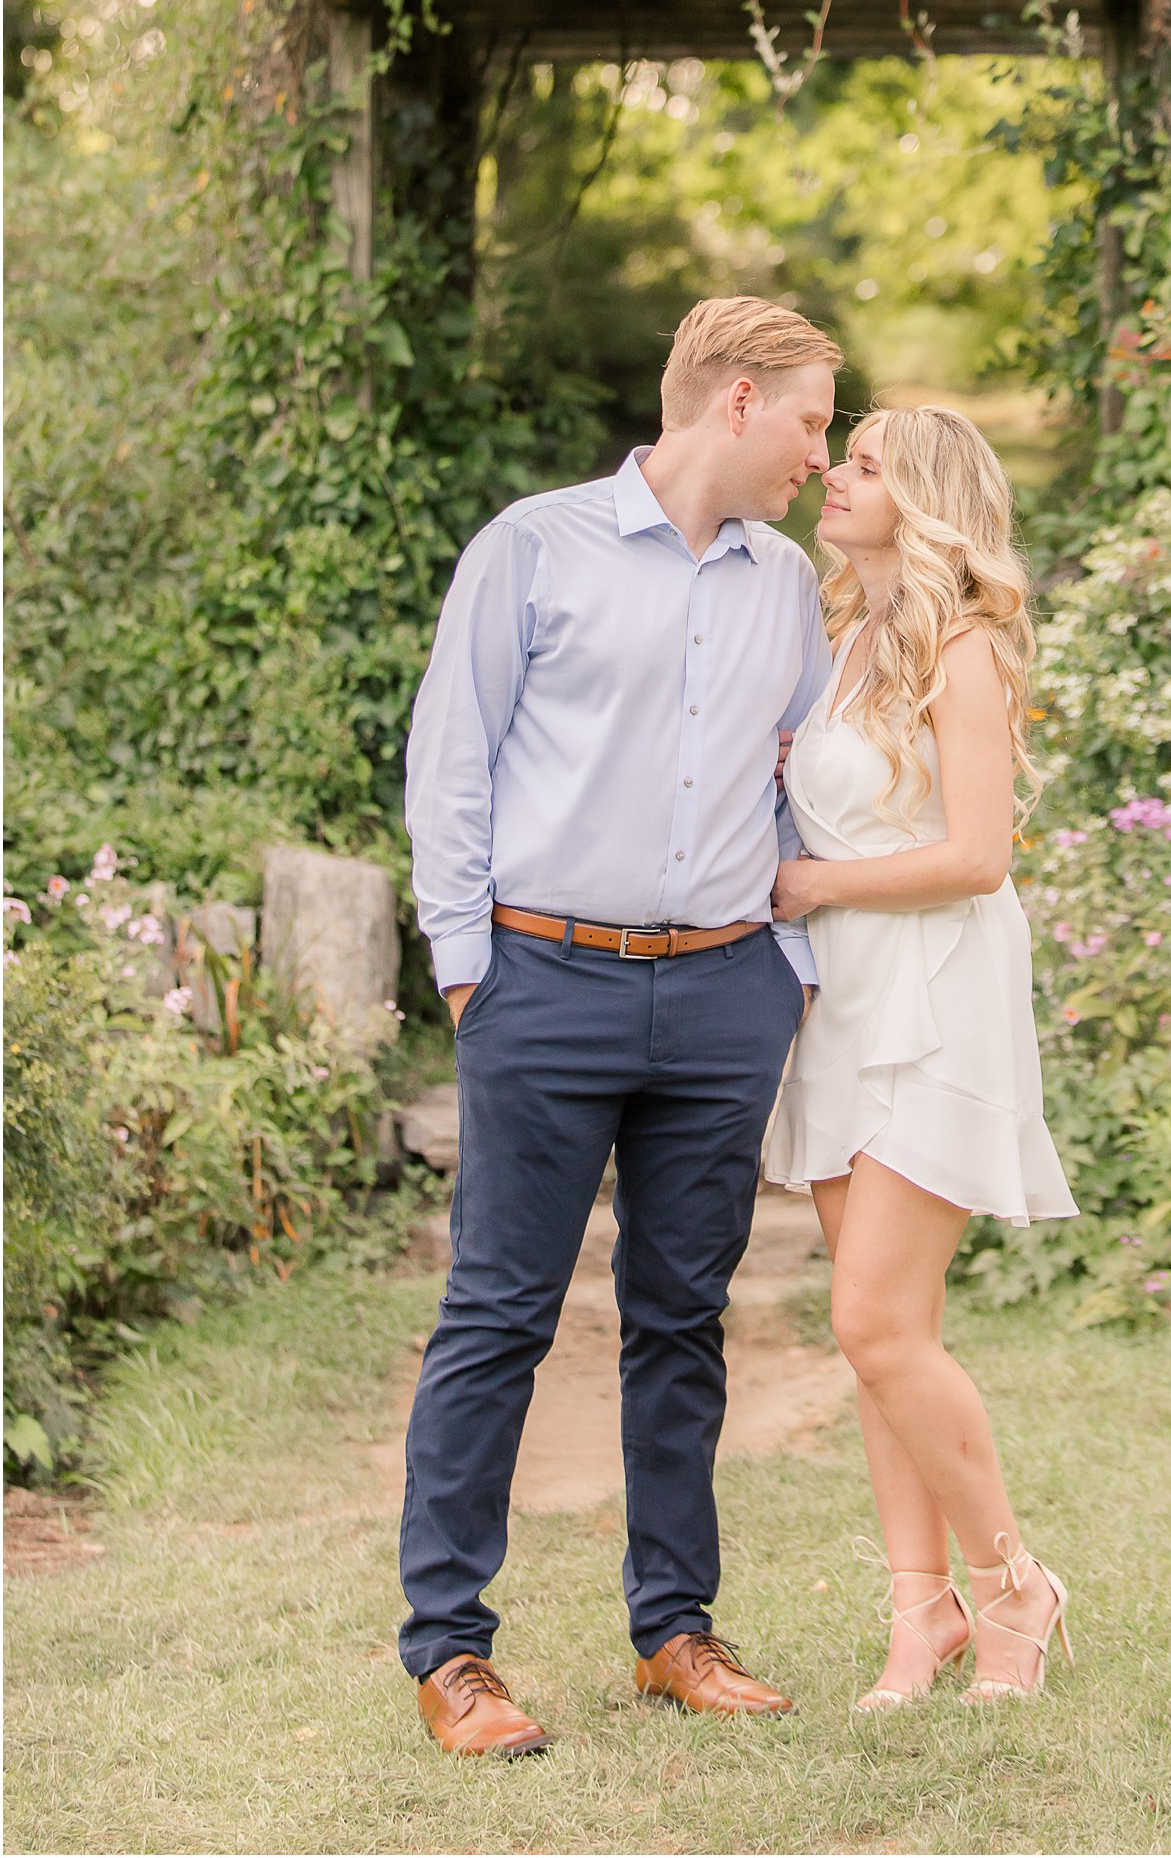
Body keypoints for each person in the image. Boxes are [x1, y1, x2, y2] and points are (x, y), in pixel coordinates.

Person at [399, 296, 841, 1755]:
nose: (821, 458)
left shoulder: (788, 584)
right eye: (810, 421)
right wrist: (472, 969)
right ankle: (451, 1652)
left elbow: (807, 777)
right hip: (544, 983)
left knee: (681, 1324)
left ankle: (674, 1631)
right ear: (732, 399)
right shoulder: (532, 547)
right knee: (499, 1315)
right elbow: (451, 764)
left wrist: (780, 964)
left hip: (723, 992)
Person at [763, 404, 1079, 1710]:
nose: (835, 474)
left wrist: (809, 883)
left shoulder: (968, 650)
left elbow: (978, 854)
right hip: (839, 998)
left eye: (867, 464)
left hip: (940, 993)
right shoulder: (834, 642)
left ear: (928, 498)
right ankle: (922, 1612)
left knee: (874, 1319)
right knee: (882, 1336)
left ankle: (1014, 1583)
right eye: (841, 457)